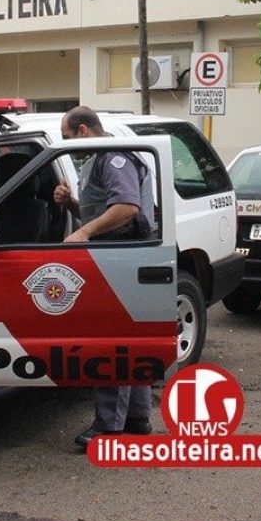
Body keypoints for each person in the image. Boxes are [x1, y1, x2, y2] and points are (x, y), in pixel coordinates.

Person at [54, 106, 156, 449]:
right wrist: (72, 204)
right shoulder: (97, 159)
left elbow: (127, 208)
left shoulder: (113, 157)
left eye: (67, 137)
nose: (67, 144)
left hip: (119, 258)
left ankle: (108, 427)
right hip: (117, 257)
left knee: (111, 343)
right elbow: (103, 211)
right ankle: (136, 417)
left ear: (83, 130)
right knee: (128, 341)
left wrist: (83, 233)